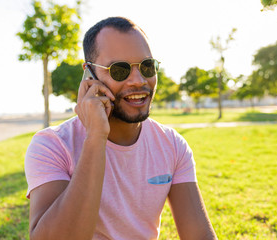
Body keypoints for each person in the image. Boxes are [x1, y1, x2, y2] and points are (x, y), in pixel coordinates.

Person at [25, 16, 217, 240]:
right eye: (119, 70)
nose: (138, 80)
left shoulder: (172, 144)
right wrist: (96, 137)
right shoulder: (51, 145)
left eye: (147, 67)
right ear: (89, 74)